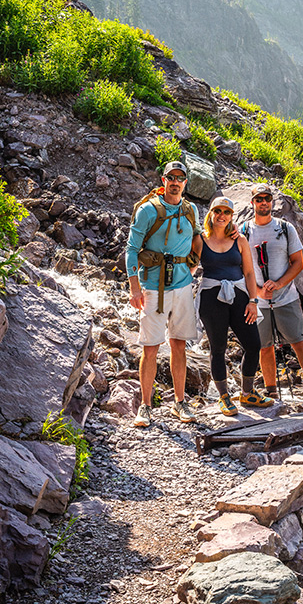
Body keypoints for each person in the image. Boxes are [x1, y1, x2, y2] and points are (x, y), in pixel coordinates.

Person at [243, 183, 303, 413]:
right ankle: (271, 393)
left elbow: (298, 262)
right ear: (252, 203)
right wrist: (257, 291)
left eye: (267, 199)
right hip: (258, 300)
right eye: (259, 199)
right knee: (264, 347)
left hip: (286, 297)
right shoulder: (243, 231)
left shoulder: (285, 228)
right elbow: (240, 266)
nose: (263, 202)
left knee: (299, 343)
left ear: (271, 202)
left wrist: (279, 283)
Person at [127, 161, 200, 428]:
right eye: (171, 177)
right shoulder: (148, 210)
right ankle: (145, 406)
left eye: (180, 178)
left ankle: (180, 403)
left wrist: (193, 264)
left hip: (182, 286)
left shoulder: (191, 209)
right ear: (163, 179)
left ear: (185, 182)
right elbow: (131, 249)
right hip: (152, 285)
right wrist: (134, 288)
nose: (175, 182)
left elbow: (197, 238)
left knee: (179, 344)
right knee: (151, 347)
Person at [193, 197, 274, 416]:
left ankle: (247, 392)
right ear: (211, 213)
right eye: (217, 211)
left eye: (226, 212)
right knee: (218, 348)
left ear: (231, 216)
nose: (222, 215)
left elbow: (249, 272)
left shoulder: (240, 240)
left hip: (239, 296)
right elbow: (189, 267)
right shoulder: (200, 240)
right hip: (211, 298)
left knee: (253, 343)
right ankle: (224, 396)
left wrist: (253, 301)